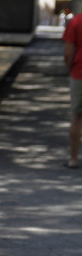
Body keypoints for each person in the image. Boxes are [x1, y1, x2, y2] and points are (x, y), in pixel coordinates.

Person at [63, 12, 82, 168]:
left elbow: (68, 52)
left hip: (79, 74)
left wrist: (71, 68)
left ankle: (74, 159)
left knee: (77, 117)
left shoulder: (76, 21)